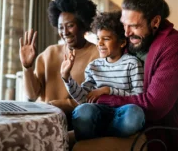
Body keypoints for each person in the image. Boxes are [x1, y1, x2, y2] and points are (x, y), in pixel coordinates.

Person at [94, 0, 178, 151]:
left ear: (155, 22)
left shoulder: (175, 47)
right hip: (124, 119)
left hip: (160, 134)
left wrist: (104, 99)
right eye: (124, 25)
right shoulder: (131, 42)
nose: (126, 33)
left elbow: (154, 106)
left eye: (134, 26)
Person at [60, 11, 145, 140]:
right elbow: (83, 99)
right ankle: (101, 134)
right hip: (98, 113)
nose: (99, 43)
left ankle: (102, 134)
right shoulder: (93, 67)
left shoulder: (132, 63)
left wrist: (108, 90)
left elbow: (139, 97)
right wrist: (67, 77)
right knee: (83, 110)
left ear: (122, 43)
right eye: (98, 38)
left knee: (135, 113)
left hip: (122, 113)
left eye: (106, 39)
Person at [19, 0, 99, 125]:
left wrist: (54, 105)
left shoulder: (97, 54)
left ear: (83, 25)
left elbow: (92, 101)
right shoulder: (49, 53)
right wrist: (27, 67)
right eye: (61, 27)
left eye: (70, 25)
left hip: (75, 122)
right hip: (43, 119)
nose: (65, 32)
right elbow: (32, 95)